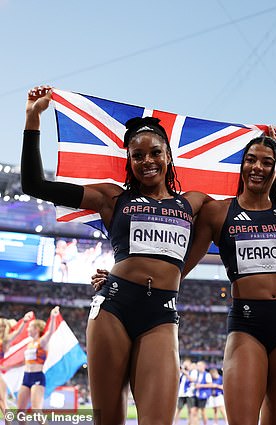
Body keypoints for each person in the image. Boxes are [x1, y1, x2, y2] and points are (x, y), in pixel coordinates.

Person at [22, 86, 212, 425]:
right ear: (129, 161)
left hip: (162, 314)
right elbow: (35, 185)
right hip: (113, 309)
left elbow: (251, 207)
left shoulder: (194, 203)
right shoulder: (113, 198)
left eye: (155, 153)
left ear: (168, 156)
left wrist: (271, 151)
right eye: (137, 156)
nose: (147, 161)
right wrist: (33, 119)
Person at [182, 132, 276, 425]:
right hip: (246, 325)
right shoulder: (217, 213)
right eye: (251, 160)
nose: (257, 167)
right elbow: (181, 265)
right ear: (241, 165)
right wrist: (123, 277)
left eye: (267, 162)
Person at [17, 306, 59, 411]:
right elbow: (24, 362)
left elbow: (50, 332)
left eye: (30, 327)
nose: (27, 329)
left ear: (36, 329)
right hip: (26, 377)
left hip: (37, 377)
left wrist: (53, 318)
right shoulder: (29, 344)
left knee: (36, 410)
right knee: (20, 411)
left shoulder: (42, 342)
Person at [0, 311, 33, 413]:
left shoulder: (5, 340)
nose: (1, 328)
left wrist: (24, 322)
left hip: (1, 372)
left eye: (2, 326)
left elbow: (17, 332)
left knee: (2, 401)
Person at [174, 358, 195, 425]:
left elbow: (192, 379)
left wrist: (184, 372)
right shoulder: (181, 373)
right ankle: (175, 423)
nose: (185, 366)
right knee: (178, 410)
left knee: (190, 411)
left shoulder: (193, 372)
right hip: (181, 394)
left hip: (189, 394)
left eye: (187, 364)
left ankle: (190, 423)